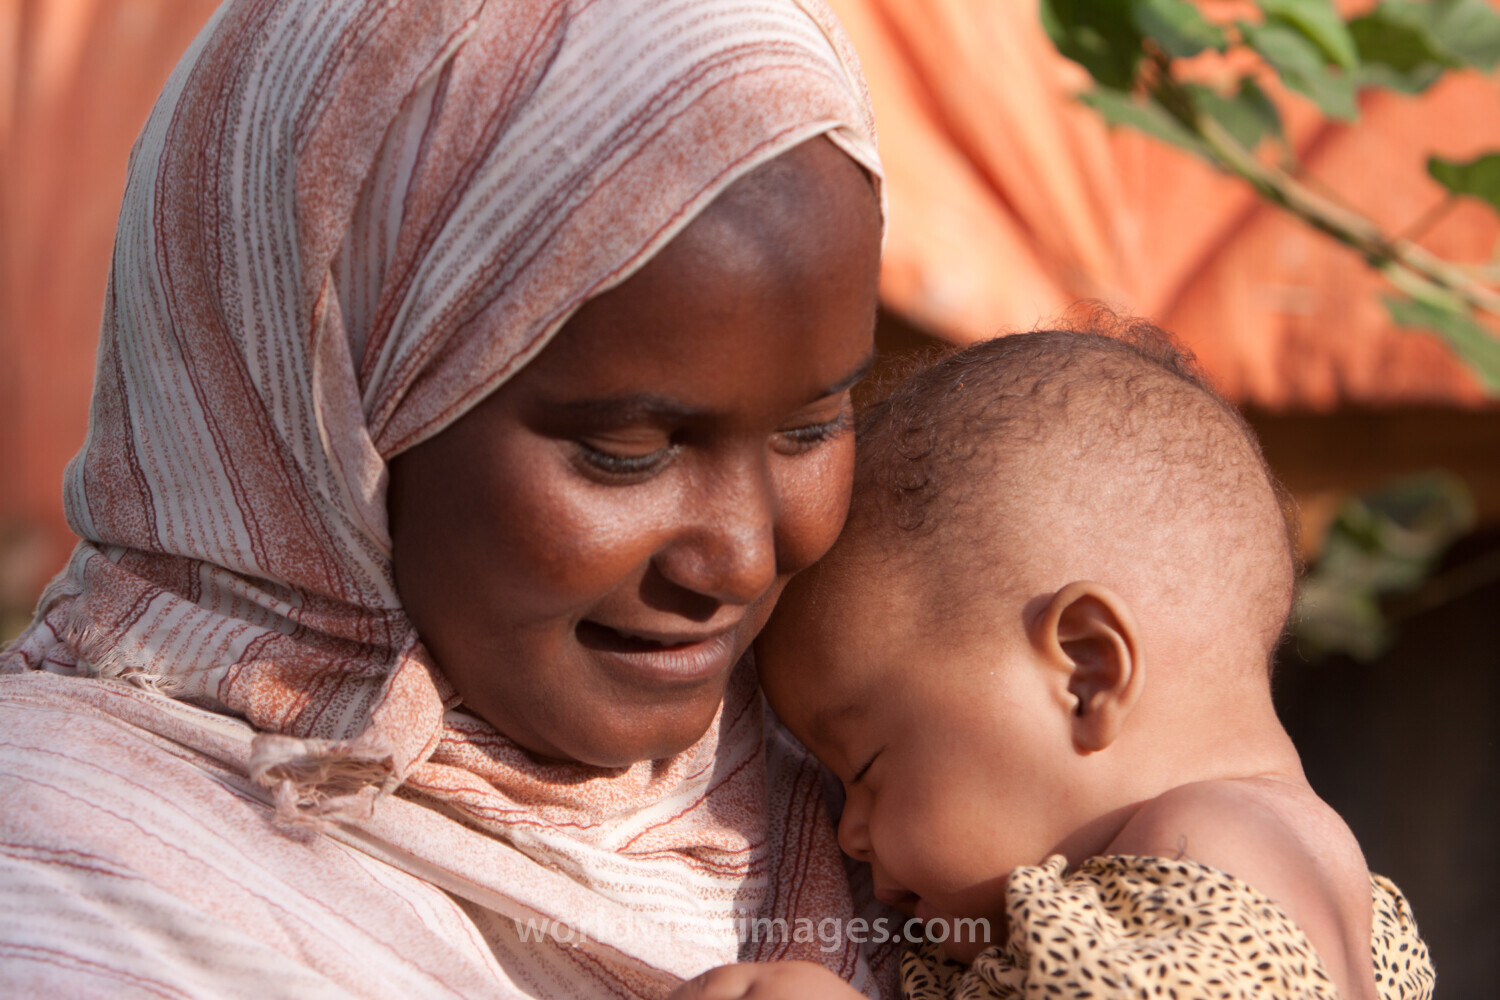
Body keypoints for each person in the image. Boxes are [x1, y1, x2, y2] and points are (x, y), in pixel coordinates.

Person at [0, 1, 896, 996]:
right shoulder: (83, 889)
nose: (740, 556)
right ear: (322, 417)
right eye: (625, 451)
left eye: (812, 426)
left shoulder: (881, 775)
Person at [675, 320, 1436, 1000]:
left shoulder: (1210, 843)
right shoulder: (1346, 895)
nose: (850, 833)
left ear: (1086, 673)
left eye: (866, 768)